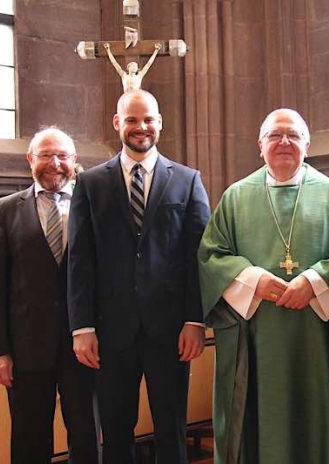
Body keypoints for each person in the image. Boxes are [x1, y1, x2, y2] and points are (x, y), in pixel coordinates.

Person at [197, 108, 329, 464]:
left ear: (307, 145)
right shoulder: (235, 197)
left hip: (317, 341)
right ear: (259, 145)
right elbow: (210, 256)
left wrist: (315, 282)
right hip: (256, 340)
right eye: (275, 135)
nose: (284, 142)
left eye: (293, 136)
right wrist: (254, 280)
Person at [67, 89, 210, 464]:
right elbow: (80, 260)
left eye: (148, 119)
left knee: (171, 428)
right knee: (115, 431)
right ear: (118, 123)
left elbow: (201, 257)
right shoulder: (90, 183)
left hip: (171, 331)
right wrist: (82, 327)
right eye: (131, 119)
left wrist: (195, 320)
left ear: (160, 123)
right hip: (110, 332)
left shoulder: (188, 180)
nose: (140, 127)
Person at [0, 127, 99, 464]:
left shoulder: (93, 206)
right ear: (31, 159)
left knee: (87, 436)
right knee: (29, 440)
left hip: (85, 345)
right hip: (26, 349)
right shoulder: (4, 210)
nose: (55, 163)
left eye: (63, 155)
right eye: (46, 155)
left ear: (75, 161)